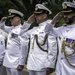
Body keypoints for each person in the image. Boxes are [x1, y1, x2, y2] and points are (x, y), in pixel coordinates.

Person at [20, 4, 57, 75]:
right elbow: (22, 35)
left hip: (42, 65)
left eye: (38, 15)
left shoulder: (49, 29)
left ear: (45, 16)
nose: (35, 17)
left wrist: (50, 65)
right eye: (35, 15)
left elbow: (52, 49)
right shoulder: (34, 29)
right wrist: (28, 23)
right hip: (31, 64)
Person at [45, 1, 75, 75]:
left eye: (68, 13)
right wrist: (53, 21)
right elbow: (47, 31)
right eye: (64, 14)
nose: (65, 16)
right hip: (60, 70)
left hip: (71, 70)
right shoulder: (61, 29)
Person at [0, 9, 31, 75]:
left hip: (16, 62)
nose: (10, 20)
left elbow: (24, 48)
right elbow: (2, 27)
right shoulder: (11, 29)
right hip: (8, 61)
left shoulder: (22, 31)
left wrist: (22, 63)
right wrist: (2, 21)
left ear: (18, 19)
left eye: (12, 18)